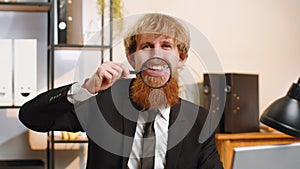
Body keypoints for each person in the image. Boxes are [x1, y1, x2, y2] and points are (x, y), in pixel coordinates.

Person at [19, 13, 223, 169]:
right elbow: (31, 117)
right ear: (132, 57)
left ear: (181, 60)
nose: (156, 55)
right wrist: (86, 88)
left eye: (166, 46)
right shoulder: (103, 101)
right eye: (147, 46)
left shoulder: (199, 121)